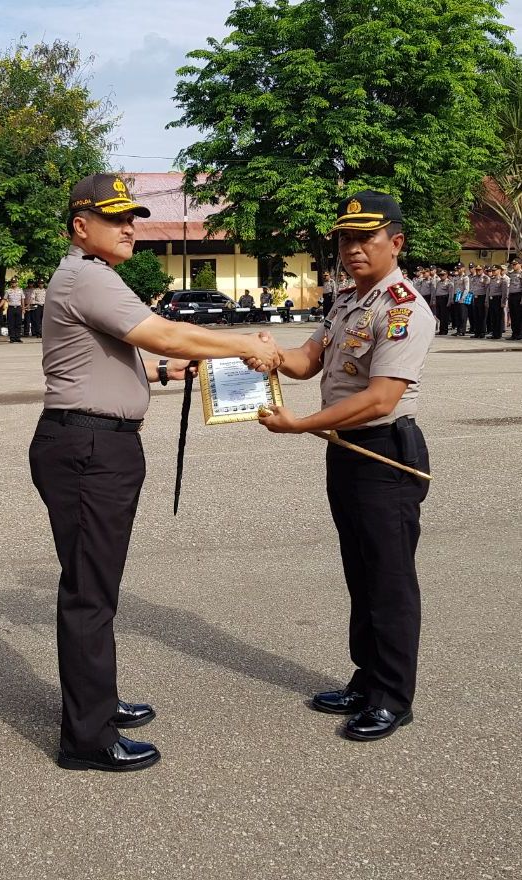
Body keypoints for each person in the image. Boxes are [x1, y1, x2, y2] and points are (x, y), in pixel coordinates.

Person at [29, 173, 280, 773]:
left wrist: (166, 377)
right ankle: (85, 739)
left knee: (98, 584)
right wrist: (245, 343)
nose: (129, 227)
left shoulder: (95, 277)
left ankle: (99, 701)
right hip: (90, 449)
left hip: (93, 444)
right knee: (90, 593)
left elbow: (115, 362)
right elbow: (165, 333)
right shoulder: (88, 276)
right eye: (115, 218)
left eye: (132, 217)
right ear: (79, 226)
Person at [257, 190, 435, 742]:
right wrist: (264, 354)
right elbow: (307, 362)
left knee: (389, 578)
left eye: (366, 238)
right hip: (347, 452)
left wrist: (301, 424)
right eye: (346, 238)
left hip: (384, 453)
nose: (353, 248)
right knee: (360, 572)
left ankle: (392, 697)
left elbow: (381, 398)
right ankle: (366, 679)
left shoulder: (404, 308)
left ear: (396, 243)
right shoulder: (344, 302)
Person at [486, 265, 508, 339]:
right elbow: (488, 291)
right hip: (492, 299)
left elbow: (504, 292)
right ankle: (494, 333)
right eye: (492, 270)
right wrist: (487, 301)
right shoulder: (491, 279)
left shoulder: (503, 280)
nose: (493, 272)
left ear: (499, 270)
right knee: (493, 317)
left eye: (494, 270)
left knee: (498, 318)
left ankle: (498, 334)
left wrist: (503, 302)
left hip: (498, 299)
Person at [470, 265, 490, 338]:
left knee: (482, 316)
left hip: (482, 297)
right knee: (476, 316)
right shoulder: (474, 278)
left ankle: (482, 332)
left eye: (479, 270)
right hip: (475, 297)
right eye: (477, 270)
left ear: (483, 270)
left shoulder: (485, 278)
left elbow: (487, 290)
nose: (478, 271)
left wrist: (486, 300)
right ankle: (477, 332)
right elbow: (473, 287)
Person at [3, 278, 25, 343]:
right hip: (11, 308)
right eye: (12, 282)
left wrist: (23, 308)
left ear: (17, 283)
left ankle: (18, 337)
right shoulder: (8, 291)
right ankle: (12, 337)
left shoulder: (20, 290)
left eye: (15, 282)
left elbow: (22, 299)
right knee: (11, 323)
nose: (13, 283)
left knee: (18, 323)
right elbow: (4, 299)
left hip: (18, 308)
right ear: (11, 283)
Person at [432, 268, 454, 335]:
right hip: (438, 299)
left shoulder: (449, 283)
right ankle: (441, 330)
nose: (441, 276)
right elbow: (436, 291)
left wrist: (449, 302)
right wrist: (434, 300)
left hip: (444, 299)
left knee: (444, 316)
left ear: (446, 275)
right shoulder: (439, 282)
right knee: (439, 315)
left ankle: (444, 330)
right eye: (440, 275)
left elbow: (451, 293)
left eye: (443, 275)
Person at [452, 263, 471, 336]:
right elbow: (454, 288)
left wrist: (462, 298)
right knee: (457, 314)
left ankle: (462, 330)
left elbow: (467, 289)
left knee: (463, 315)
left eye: (459, 268)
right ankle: (458, 330)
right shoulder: (456, 277)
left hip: (463, 297)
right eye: (457, 268)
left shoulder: (465, 277)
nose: (458, 270)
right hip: (456, 296)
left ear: (463, 269)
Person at [507, 258, 522, 340]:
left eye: (515, 264)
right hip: (512, 295)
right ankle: (514, 333)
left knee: (518, 316)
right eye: (512, 264)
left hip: (518, 295)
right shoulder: (511, 274)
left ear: (520, 264)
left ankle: (519, 333)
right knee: (512, 315)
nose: (513, 266)